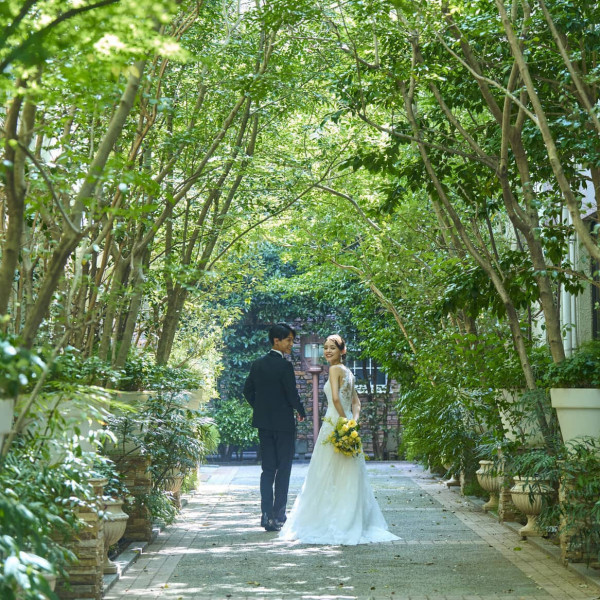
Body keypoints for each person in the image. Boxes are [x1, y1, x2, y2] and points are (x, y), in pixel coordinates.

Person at [279, 334, 399, 545]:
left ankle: (331, 520)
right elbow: (357, 404)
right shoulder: (349, 372)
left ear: (342, 350)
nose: (327, 351)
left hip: (334, 424)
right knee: (348, 473)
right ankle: (351, 518)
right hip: (346, 425)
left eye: (332, 348)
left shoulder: (335, 370)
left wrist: (343, 423)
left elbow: (335, 398)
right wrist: (352, 423)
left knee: (325, 472)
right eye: (325, 347)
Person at [243, 323, 306, 532]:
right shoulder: (285, 366)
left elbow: (247, 391)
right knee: (284, 469)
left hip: (264, 423)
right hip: (284, 424)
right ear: (276, 340)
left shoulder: (257, 364)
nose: (291, 344)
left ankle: (265, 514)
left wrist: (260, 408)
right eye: (288, 340)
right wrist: (300, 410)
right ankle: (279, 515)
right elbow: (291, 393)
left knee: (268, 469)